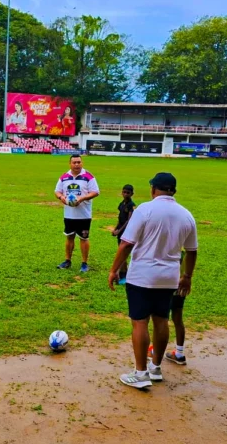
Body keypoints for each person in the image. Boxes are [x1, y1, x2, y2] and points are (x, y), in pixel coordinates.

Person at [108, 172, 198, 390]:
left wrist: (114, 270)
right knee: (161, 320)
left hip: (142, 276)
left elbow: (126, 244)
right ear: (173, 191)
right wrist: (186, 277)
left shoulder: (144, 210)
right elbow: (192, 250)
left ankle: (140, 373)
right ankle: (156, 368)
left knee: (139, 321)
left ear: (153, 189)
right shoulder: (186, 215)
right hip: (169, 277)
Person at [55, 154, 100, 272]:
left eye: (79, 162)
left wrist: (81, 199)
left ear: (82, 163)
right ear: (70, 164)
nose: (77, 164)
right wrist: (61, 197)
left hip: (84, 215)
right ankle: (67, 261)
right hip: (69, 214)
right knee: (69, 237)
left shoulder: (88, 177)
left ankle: (84, 263)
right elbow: (57, 191)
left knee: (84, 238)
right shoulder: (64, 177)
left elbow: (95, 192)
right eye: (74, 162)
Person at [111, 184, 135, 285]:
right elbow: (120, 218)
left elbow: (129, 221)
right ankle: (122, 274)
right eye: (124, 192)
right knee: (121, 253)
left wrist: (119, 230)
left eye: (128, 193)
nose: (125, 194)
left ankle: (124, 275)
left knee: (123, 253)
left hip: (126, 232)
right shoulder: (122, 204)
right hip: (120, 231)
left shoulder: (131, 205)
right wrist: (115, 229)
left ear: (132, 194)